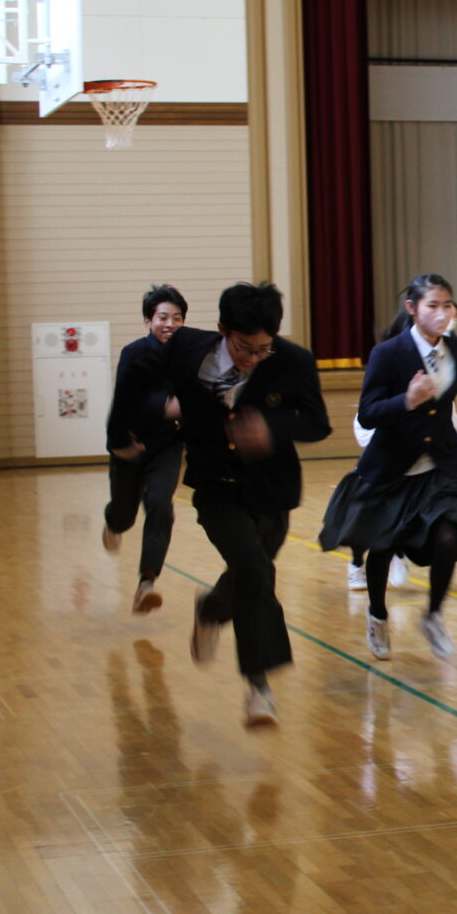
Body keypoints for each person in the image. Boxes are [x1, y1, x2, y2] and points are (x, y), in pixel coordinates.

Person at [113, 282, 331, 726]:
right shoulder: (187, 349)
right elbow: (135, 377)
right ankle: (259, 687)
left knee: (249, 570)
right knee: (255, 570)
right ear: (222, 330)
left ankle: (212, 608)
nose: (253, 358)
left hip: (273, 491)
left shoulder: (294, 361)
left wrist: (270, 426)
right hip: (216, 488)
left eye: (263, 349)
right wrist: (118, 435)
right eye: (244, 347)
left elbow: (316, 422)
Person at [318, 276, 457, 662]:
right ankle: (378, 615)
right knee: (383, 547)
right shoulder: (388, 354)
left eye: (447, 305)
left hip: (441, 467)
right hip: (393, 466)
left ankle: (432, 616)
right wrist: (408, 400)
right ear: (413, 309)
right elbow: (369, 411)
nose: (442, 313)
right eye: (433, 305)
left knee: (449, 535)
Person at [345, 301, 457, 596]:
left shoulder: (445, 363)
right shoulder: (390, 358)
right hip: (385, 457)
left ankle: (398, 552)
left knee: (428, 515)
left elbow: (448, 417)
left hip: (426, 461)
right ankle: (356, 562)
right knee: (364, 514)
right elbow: (367, 416)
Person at [102, 284, 188, 613]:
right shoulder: (134, 353)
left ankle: (147, 582)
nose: (170, 324)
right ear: (148, 321)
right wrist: (118, 444)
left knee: (159, 503)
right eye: (163, 317)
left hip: (166, 445)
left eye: (177, 318)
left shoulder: (189, 357)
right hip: (130, 444)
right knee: (124, 514)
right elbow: (123, 403)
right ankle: (113, 524)